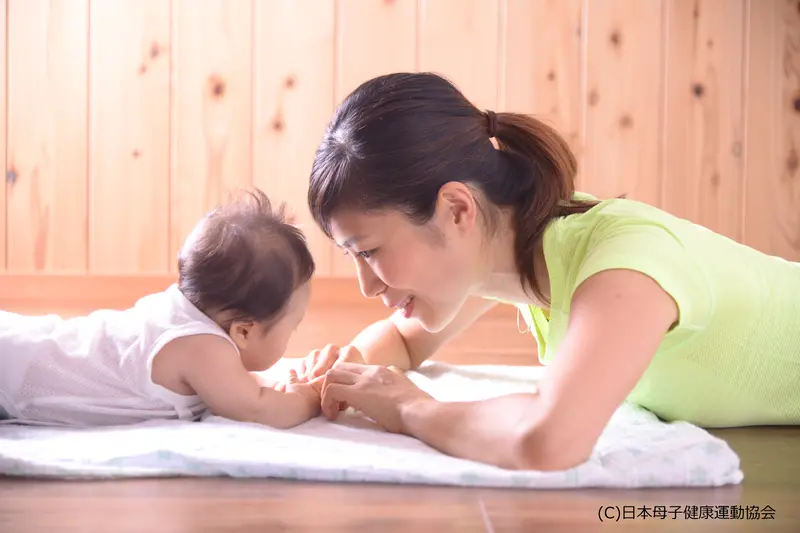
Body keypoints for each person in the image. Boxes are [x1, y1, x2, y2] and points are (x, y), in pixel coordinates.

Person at [293, 72, 800, 471]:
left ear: (456, 210)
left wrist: (408, 409)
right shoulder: (502, 248)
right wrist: (342, 371)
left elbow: (549, 441)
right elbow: (403, 342)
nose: (367, 284)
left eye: (370, 250)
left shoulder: (624, 264)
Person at [0, 189, 322, 429]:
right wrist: (308, 398)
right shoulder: (203, 347)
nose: (293, 335)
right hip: (14, 372)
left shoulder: (186, 315)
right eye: (292, 327)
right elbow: (256, 408)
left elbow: (245, 383)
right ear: (244, 330)